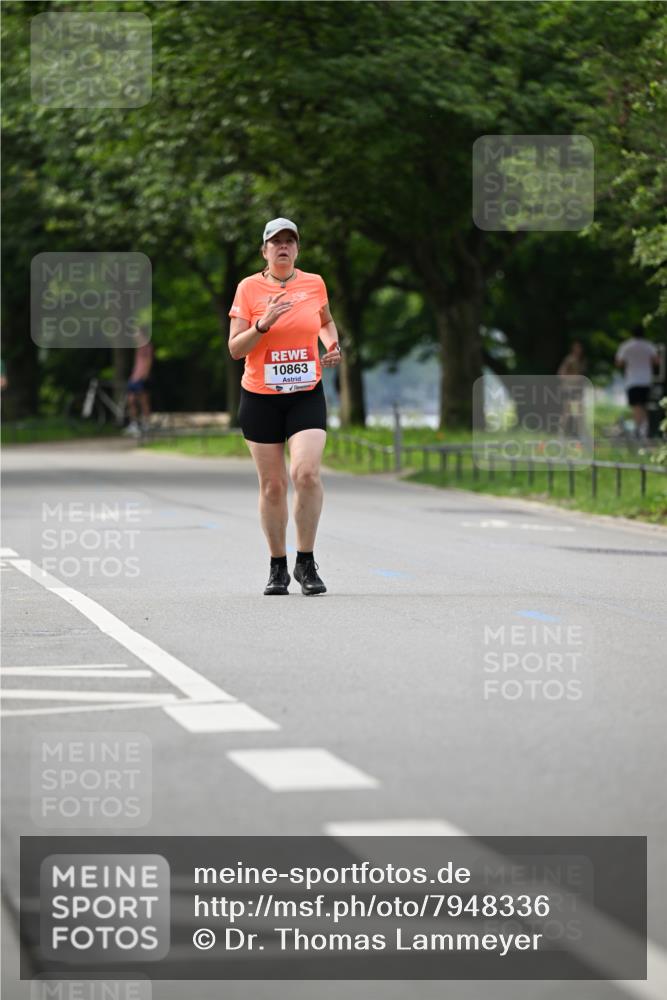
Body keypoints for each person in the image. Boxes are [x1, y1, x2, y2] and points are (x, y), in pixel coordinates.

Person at [228, 218, 342, 596]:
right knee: (273, 486)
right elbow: (235, 349)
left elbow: (326, 322)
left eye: (290, 241)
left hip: (305, 392)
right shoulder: (248, 288)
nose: (283, 247)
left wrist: (331, 344)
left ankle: (305, 562)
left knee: (306, 474)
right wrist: (263, 324)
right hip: (260, 396)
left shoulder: (314, 283)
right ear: (264, 250)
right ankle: (277, 567)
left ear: (297, 249)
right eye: (275, 241)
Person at [615, 326, 659, 439]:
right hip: (646, 380)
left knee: (636, 406)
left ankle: (639, 430)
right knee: (643, 406)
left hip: (632, 380)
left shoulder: (626, 346)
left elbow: (619, 363)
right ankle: (643, 429)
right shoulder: (649, 345)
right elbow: (657, 361)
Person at [124, 336, 154, 437]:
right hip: (134, 378)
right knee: (131, 401)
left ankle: (146, 424)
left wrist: (144, 376)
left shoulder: (147, 346)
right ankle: (134, 424)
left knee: (143, 401)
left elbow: (149, 361)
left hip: (141, 378)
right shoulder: (138, 347)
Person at [557, 340, 587, 437]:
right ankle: (561, 433)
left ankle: (579, 434)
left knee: (579, 412)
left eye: (580, 348)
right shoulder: (569, 359)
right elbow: (561, 374)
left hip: (577, 389)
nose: (578, 350)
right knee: (567, 411)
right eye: (576, 348)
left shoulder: (582, 361)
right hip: (569, 388)